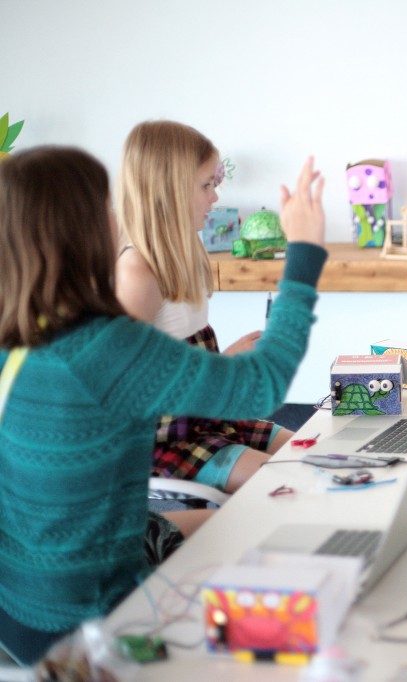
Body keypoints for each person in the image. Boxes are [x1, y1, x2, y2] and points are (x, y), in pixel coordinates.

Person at [0, 147, 326, 665]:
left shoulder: (16, 344)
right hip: (92, 620)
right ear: (80, 229)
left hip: (20, 606)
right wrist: (305, 250)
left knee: (246, 517)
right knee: (278, 572)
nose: (116, 219)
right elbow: (263, 384)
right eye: (106, 207)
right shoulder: (104, 347)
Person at [116, 121, 293, 493]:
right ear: (169, 190)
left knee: (311, 453)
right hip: (165, 442)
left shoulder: (187, 250)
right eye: (205, 186)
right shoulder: (137, 271)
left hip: (205, 419)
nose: (214, 198)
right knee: (290, 482)